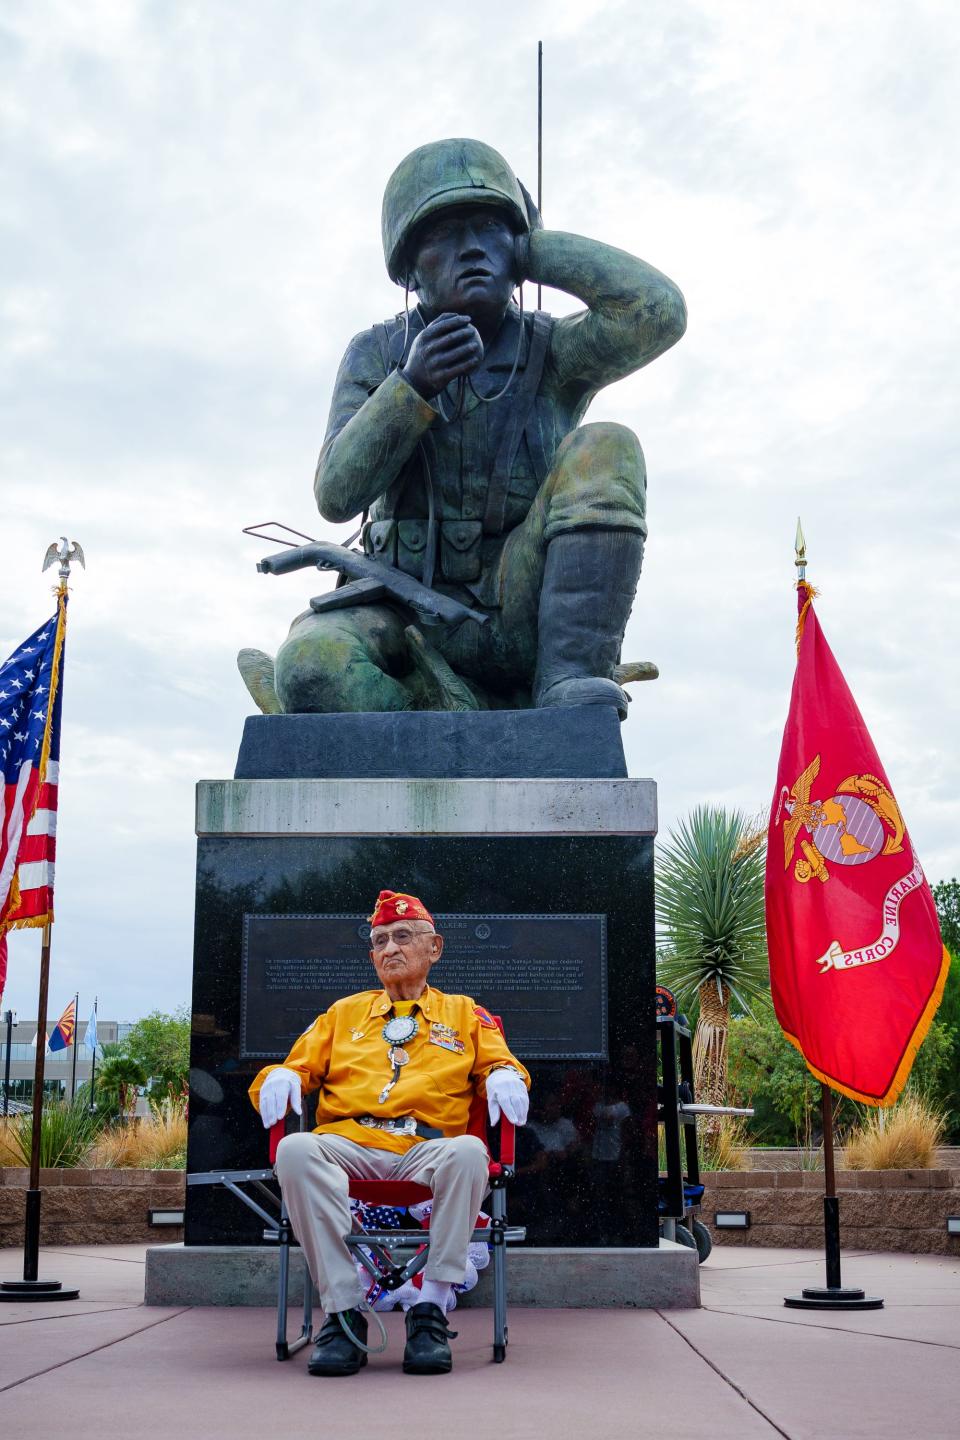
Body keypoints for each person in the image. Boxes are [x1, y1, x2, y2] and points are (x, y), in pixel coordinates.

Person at [241, 136, 686, 717]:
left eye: (489, 229)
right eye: (444, 234)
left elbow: (657, 313)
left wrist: (535, 248)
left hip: (521, 609)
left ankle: (567, 684)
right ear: (408, 263)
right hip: (399, 610)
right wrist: (411, 386)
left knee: (608, 445)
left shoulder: (553, 350)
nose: (472, 249)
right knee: (310, 669)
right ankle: (442, 702)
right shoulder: (378, 352)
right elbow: (336, 497)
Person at [249, 888, 530, 1377]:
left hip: (427, 1147)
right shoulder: (344, 1014)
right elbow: (298, 1064)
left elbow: (501, 1063)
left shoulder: (464, 1013)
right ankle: (344, 1315)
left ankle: (430, 1311)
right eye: (379, 940)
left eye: (403, 936)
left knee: (469, 1151)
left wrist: (506, 1073)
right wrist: (284, 1075)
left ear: (434, 948)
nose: (389, 949)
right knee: (295, 1149)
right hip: (349, 1143)